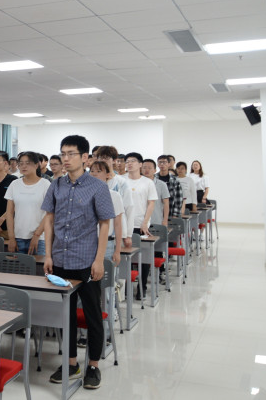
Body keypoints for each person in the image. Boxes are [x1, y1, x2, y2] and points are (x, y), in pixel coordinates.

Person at [42, 135, 114, 389]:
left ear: (85, 157)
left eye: (71, 153)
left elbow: (104, 224)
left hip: (86, 261)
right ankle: (71, 363)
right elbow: (49, 220)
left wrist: (99, 260)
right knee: (66, 315)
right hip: (60, 260)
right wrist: (48, 255)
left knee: (92, 315)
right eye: (63, 153)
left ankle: (93, 365)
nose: (65, 158)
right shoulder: (56, 185)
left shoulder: (97, 187)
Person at [124, 152, 157, 299]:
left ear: (140, 164)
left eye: (132, 161)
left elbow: (151, 203)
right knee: (125, 259)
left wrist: (145, 222)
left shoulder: (147, 182)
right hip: (124, 225)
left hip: (140, 225)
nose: (129, 164)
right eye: (127, 161)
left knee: (143, 260)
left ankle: (141, 288)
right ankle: (125, 290)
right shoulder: (121, 180)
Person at [5, 151, 50, 255]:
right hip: (18, 238)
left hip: (40, 239)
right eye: (21, 163)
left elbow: (49, 213)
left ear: (36, 165)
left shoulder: (45, 184)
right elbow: (9, 213)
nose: (23, 166)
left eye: (28, 163)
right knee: (17, 266)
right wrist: (11, 238)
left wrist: (37, 235)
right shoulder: (14, 184)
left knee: (38, 265)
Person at [89, 161, 123, 265]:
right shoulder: (84, 194)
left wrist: (117, 250)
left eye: (99, 171)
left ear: (108, 175)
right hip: (86, 243)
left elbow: (118, 224)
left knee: (104, 273)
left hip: (107, 243)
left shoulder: (114, 196)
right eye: (92, 171)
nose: (94, 174)